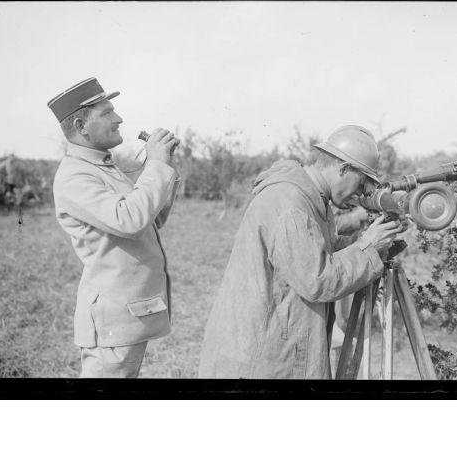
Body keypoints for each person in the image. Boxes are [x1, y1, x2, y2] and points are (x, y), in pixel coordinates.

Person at [199, 125, 403, 379]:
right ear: (343, 169)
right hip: (259, 357)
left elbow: (319, 254)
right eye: (361, 183)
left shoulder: (310, 198)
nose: (361, 194)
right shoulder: (291, 204)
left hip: (269, 342)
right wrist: (367, 248)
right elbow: (317, 279)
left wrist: (375, 243)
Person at [48, 77, 180, 378]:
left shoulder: (101, 167)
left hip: (127, 314)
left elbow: (151, 218)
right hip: (112, 320)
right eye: (107, 113)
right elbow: (130, 220)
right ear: (82, 126)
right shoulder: (75, 177)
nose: (118, 119)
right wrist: (156, 167)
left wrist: (167, 166)